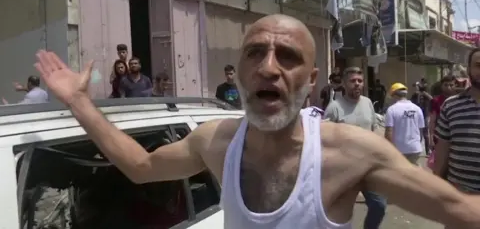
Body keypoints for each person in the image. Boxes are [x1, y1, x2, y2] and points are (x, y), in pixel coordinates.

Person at [33, 14, 480, 228]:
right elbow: (140, 166)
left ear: (312, 80)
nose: (269, 68)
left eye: (288, 57)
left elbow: (459, 211)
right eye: (255, 54)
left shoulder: (350, 153)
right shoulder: (215, 142)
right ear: (242, 73)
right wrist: (79, 102)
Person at [324, 67, 385, 229]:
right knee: (341, 213)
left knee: (379, 205)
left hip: (367, 167)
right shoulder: (334, 107)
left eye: (360, 81)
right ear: (344, 84)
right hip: (343, 169)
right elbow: (323, 139)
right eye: (352, 81)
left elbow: (373, 130)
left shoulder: (367, 103)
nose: (357, 84)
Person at [434, 48, 480, 195]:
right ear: (468, 70)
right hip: (461, 196)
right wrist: (436, 188)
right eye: (478, 65)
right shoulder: (451, 105)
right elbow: (442, 152)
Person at [385, 83, 425, 165]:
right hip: (415, 148)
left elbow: (389, 131)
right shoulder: (417, 109)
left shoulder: (392, 109)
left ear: (394, 95)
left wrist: (388, 148)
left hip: (399, 149)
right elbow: (421, 130)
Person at [428, 75, 456, 149]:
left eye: (451, 85)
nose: (448, 87)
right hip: (440, 137)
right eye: (446, 85)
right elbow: (432, 121)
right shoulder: (435, 101)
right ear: (441, 86)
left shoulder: (460, 100)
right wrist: (431, 138)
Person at [410, 81, 433, 154]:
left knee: (425, 134)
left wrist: (424, 93)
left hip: (424, 115)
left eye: (418, 86)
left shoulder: (425, 95)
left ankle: (427, 151)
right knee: (415, 133)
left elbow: (432, 99)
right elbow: (411, 103)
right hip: (416, 116)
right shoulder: (415, 95)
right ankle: (415, 149)